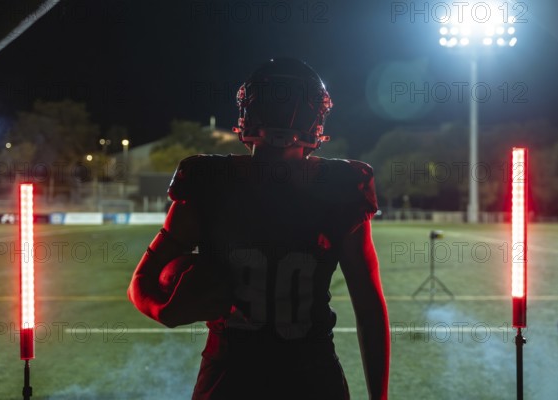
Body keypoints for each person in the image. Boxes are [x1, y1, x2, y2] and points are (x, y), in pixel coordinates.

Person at [128, 58, 390, 400]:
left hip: (231, 376)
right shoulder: (341, 187)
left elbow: (141, 284)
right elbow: (369, 308)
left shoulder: (209, 182)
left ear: (248, 112)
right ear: (317, 118)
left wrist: (165, 310)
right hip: (311, 376)